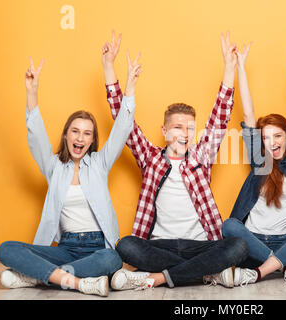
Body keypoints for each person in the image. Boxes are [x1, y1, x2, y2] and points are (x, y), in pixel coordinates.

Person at [100, 31, 248, 290]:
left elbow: (220, 117)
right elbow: (122, 122)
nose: (185, 133)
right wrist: (109, 68)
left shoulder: (201, 157)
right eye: (178, 127)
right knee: (126, 245)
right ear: (165, 131)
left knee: (239, 246)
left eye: (190, 128)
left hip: (200, 244)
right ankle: (203, 273)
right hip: (160, 244)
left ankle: (158, 277)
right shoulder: (149, 158)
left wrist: (229, 67)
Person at [0, 52, 141, 297]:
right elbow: (36, 136)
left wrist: (129, 88)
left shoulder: (99, 164)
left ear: (93, 140)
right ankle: (76, 281)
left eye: (87, 133)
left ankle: (38, 278)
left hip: (98, 247)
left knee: (112, 260)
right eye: (75, 131)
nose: (80, 138)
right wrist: (32, 92)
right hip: (66, 248)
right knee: (6, 249)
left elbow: (122, 129)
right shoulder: (53, 167)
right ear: (66, 135)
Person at [221, 43, 286, 286]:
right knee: (229, 226)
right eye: (266, 137)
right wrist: (241, 68)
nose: (271, 142)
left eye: (277, 136)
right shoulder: (260, 161)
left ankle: (261, 271)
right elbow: (248, 115)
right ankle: (282, 267)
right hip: (252, 243)